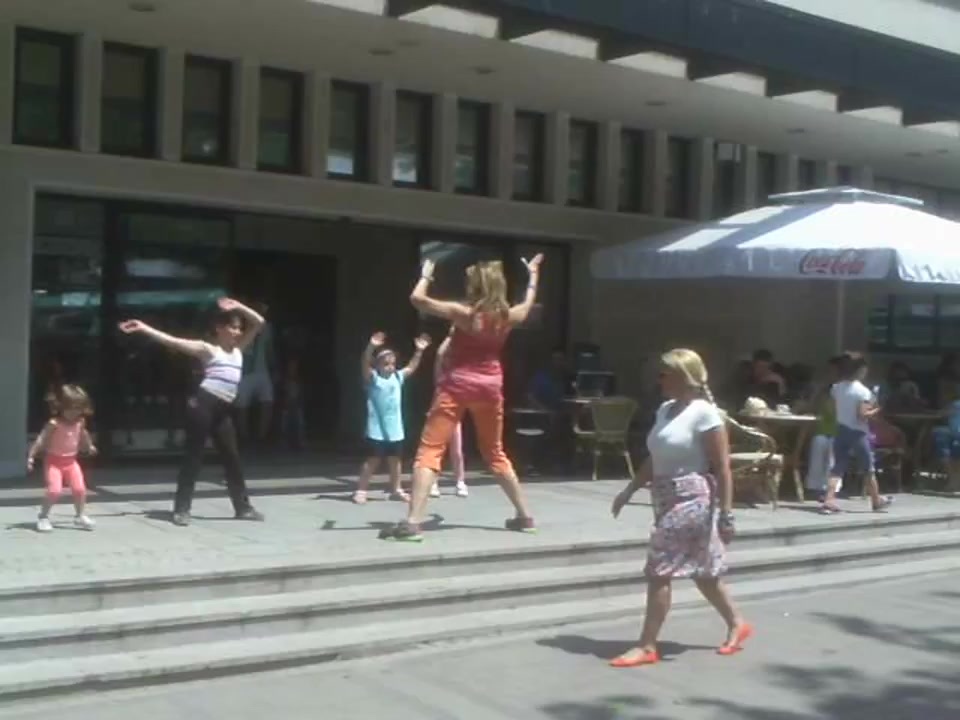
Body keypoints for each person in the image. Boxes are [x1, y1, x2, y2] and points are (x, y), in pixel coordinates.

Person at [378, 254, 543, 541]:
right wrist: (533, 275)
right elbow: (528, 302)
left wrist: (426, 275)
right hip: (490, 387)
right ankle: (524, 517)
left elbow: (417, 299)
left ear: (476, 287)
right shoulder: (508, 316)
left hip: (456, 387)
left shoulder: (464, 314)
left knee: (430, 451)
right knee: (495, 453)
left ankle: (413, 523)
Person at [609, 348, 751, 667]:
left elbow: (723, 467)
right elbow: (655, 458)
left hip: (692, 497)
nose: (660, 380)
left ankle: (647, 645)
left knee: (659, 570)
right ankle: (737, 623)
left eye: (665, 374)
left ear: (684, 377)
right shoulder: (665, 410)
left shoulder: (705, 414)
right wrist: (629, 490)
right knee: (704, 572)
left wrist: (727, 513)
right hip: (663, 495)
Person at [118, 298, 266, 526]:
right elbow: (172, 341)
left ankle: (243, 508)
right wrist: (144, 328)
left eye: (239, 328)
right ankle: (181, 509)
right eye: (233, 327)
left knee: (232, 457)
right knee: (193, 457)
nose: (237, 332)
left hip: (223, 409)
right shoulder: (208, 349)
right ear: (219, 328)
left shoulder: (238, 350)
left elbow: (259, 322)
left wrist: (238, 306)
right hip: (204, 404)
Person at [353, 332, 431, 505]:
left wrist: (419, 351)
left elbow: (412, 367)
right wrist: (371, 347)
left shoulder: (397, 377)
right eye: (386, 364)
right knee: (372, 460)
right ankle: (361, 490)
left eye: (393, 364)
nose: (390, 367)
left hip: (395, 429)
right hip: (376, 429)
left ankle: (396, 489)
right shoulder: (373, 378)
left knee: (395, 461)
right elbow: (364, 362)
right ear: (378, 365)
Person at [821, 352, 893, 515]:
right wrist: (877, 409)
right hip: (859, 433)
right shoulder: (863, 392)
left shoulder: (836, 388)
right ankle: (876, 500)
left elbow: (831, 409)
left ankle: (829, 499)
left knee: (837, 467)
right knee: (868, 467)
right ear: (860, 370)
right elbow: (862, 415)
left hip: (840, 430)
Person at [27, 384, 98, 533]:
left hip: (71, 462)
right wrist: (31, 456)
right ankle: (43, 516)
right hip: (54, 462)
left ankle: (80, 515)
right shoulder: (54, 423)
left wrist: (89, 446)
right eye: (70, 408)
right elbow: (41, 439)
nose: (74, 412)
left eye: (78, 408)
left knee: (79, 489)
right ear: (61, 406)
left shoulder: (79, 422)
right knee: (54, 490)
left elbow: (83, 434)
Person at [430, 331, 468, 499]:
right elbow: (439, 355)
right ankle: (433, 482)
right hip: (438, 417)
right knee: (437, 451)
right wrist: (450, 337)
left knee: (457, 451)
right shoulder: (440, 377)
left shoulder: (460, 379)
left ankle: (460, 482)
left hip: (454, 417)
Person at [804, 356, 844, 502]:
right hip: (823, 430)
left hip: (840, 431)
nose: (830, 374)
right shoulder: (824, 390)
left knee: (832, 449)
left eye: (833, 371)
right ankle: (815, 487)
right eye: (829, 371)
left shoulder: (844, 391)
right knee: (818, 442)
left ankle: (831, 489)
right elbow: (812, 407)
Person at [235, 301, 275, 444]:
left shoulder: (267, 328)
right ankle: (244, 438)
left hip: (262, 371)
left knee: (267, 402)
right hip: (244, 372)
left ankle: (261, 438)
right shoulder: (240, 328)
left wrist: (273, 368)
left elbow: (269, 349)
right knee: (242, 407)